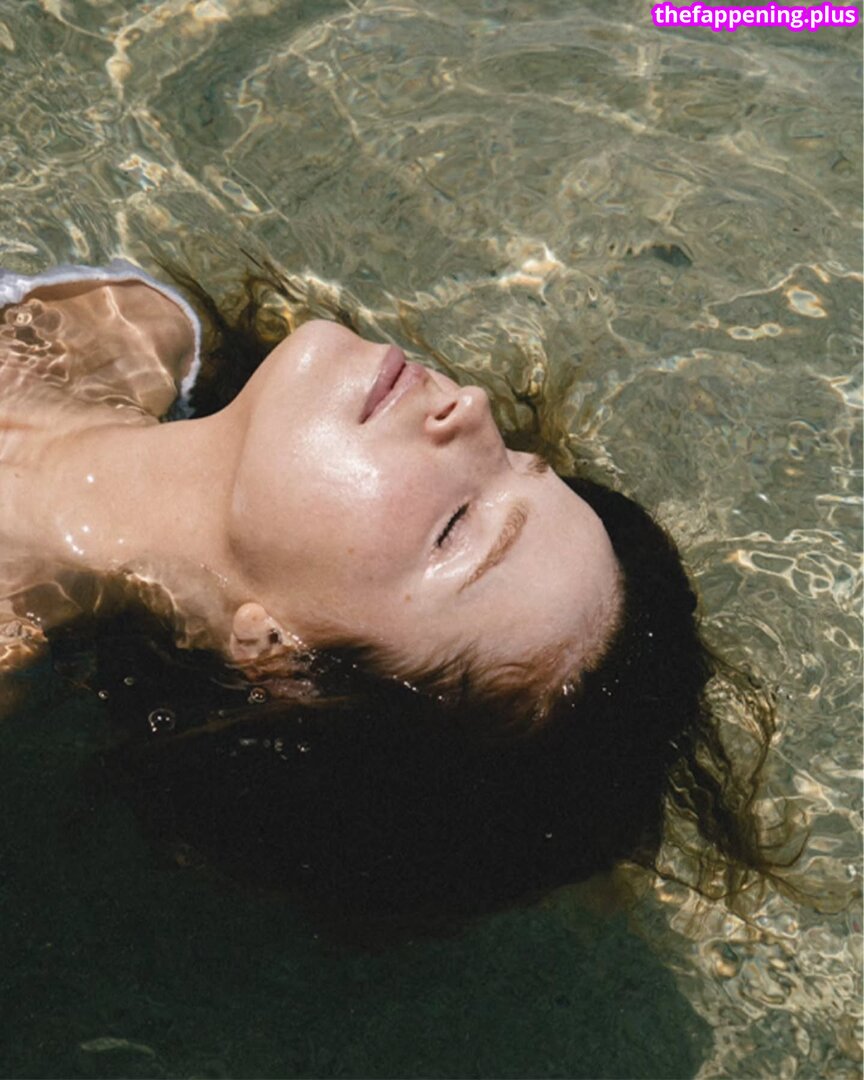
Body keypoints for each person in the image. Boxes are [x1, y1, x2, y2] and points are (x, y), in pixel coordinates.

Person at [0, 258, 780, 940]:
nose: (473, 409)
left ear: (283, 664)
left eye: (455, 527)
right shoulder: (125, 320)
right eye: (517, 458)